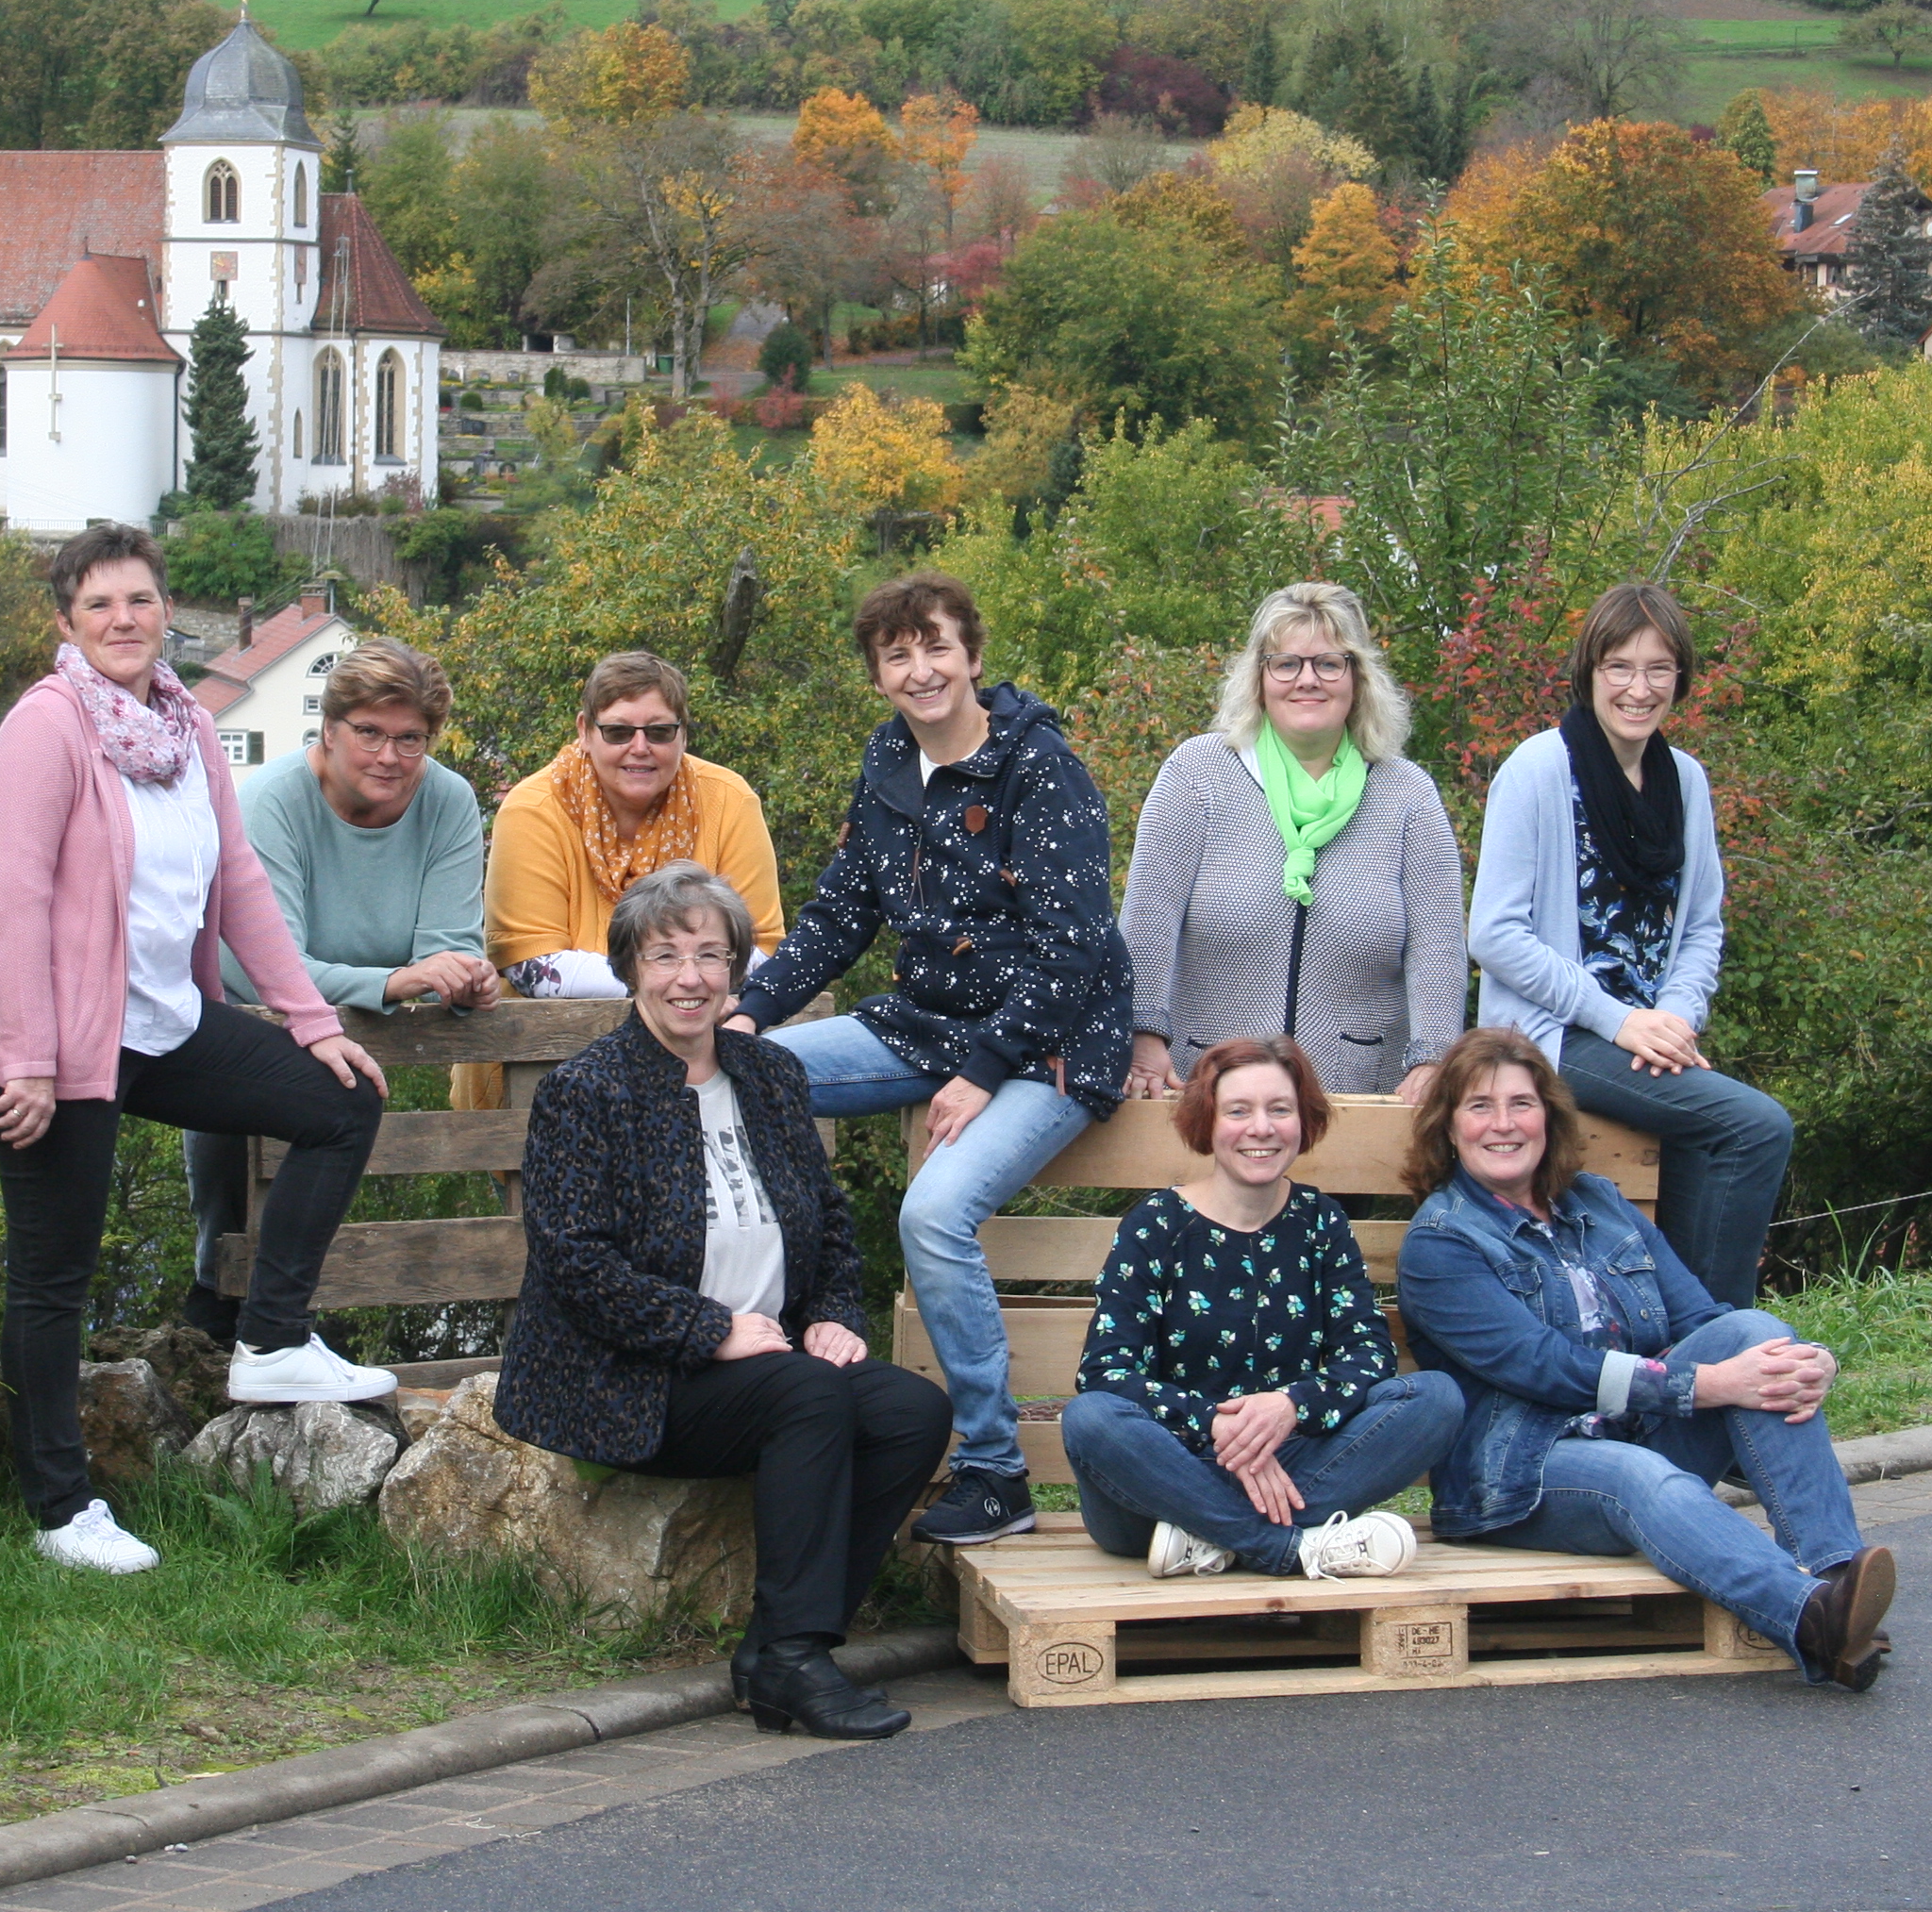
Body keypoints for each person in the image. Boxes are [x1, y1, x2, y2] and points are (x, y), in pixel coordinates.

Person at [0, 524, 392, 1573]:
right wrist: (26, 1059)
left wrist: (312, 1020)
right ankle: (63, 1512)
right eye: (99, 605)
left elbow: (238, 879)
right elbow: (8, 900)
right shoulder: (45, 729)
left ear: (167, 613)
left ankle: (274, 1340)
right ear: (68, 622)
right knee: (53, 1278)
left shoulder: (187, 727)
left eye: (140, 601)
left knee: (340, 1104)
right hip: (56, 1039)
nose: (123, 621)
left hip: (161, 1020)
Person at [495, 861, 951, 1740]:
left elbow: (825, 1221)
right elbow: (573, 1262)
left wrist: (831, 1316)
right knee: (807, 1395)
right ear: (631, 970)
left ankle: (780, 1643)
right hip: (639, 1374)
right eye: (665, 956)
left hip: (767, 1360)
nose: (690, 978)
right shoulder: (587, 1091)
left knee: (909, 1410)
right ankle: (794, 1663)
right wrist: (706, 1331)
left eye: (711, 955)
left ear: (738, 969)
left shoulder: (768, 1075)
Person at [725, 572, 1133, 1548]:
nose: (921, 670)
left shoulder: (1040, 768)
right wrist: (747, 1013)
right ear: (878, 675)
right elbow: (836, 916)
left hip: (1051, 1045)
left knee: (934, 1213)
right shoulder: (886, 765)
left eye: (937, 647)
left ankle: (994, 1472)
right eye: (897, 655)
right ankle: (766, 1349)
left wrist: (986, 1068)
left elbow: (1073, 949)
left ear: (975, 657)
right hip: (926, 1022)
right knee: (740, 1078)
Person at [1392, 1027, 1895, 1691]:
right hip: (1522, 1473)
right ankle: (1813, 1617)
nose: (1504, 1124)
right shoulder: (1441, 1243)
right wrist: (1707, 1385)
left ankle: (1836, 1576)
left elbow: (1703, 1319)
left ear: (1548, 1115)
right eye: (1479, 1107)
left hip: (1637, 1428)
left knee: (1755, 1330)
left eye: (1521, 1103)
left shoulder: (1599, 1203)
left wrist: (1809, 1359)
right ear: (1449, 1127)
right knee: (1641, 1476)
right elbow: (1547, 1368)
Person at [1464, 581, 1793, 1306]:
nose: (1638, 689)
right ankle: (1716, 1336)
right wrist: (1620, 1020)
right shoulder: (1540, 769)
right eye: (1620, 666)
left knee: (1712, 1136)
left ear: (1681, 678)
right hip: (1555, 1036)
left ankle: (1687, 1342)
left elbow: (1703, 923)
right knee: (1755, 1126)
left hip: (1648, 1037)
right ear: (1589, 672)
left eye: (1658, 669)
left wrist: (1674, 1018)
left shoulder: (1686, 782)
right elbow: (1493, 933)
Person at [178, 639, 494, 1347]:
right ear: (330, 729)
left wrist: (463, 977)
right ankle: (220, 1317)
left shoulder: (447, 800)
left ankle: (318, 1331)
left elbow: (449, 943)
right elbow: (269, 964)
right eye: (370, 733)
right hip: (256, 1016)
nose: (389, 756)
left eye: (410, 739)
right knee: (235, 1177)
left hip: (370, 1046)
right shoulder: (269, 801)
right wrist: (391, 983)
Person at [1062, 1036, 1464, 1581]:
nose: (1261, 1128)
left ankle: (1220, 1540)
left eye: (1280, 1109)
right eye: (1238, 1111)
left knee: (1435, 1397)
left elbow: (1368, 1356)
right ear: (1208, 1121)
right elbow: (1105, 1372)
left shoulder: (1321, 1222)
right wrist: (1220, 1427)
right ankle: (1292, 1551)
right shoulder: (1157, 1223)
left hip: (1297, 1468)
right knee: (1091, 1418)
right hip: (1163, 1482)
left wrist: (1288, 1408)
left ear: (1303, 1121)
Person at [1122, 581, 1465, 1104]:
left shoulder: (1407, 793)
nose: (1307, 680)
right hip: (1207, 1092)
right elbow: (1149, 917)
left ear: (1358, 678)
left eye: (1329, 663)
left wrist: (1433, 1059)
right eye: (1286, 664)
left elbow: (1437, 942)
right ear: (1259, 678)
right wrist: (1143, 1034)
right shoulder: (1196, 774)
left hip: (1357, 1099)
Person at [485, 651, 784, 999]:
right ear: (585, 731)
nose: (639, 748)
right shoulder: (533, 809)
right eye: (618, 732)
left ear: (683, 734)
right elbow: (533, 966)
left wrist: (665, 984)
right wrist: (678, 980)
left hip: (701, 1036)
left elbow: (762, 950)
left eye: (659, 732)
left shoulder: (729, 800)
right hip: (547, 1045)